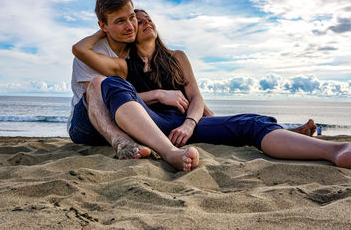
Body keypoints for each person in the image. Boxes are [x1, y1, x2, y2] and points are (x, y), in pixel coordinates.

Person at [72, 9, 351, 171]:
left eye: (148, 19)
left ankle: (335, 150)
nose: (145, 23)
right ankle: (168, 153)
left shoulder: (177, 57)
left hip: (184, 124)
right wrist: (158, 94)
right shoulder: (122, 64)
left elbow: (196, 98)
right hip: (150, 124)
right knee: (110, 84)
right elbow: (92, 69)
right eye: (138, 20)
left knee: (250, 122)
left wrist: (192, 123)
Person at [68, 0, 213, 160]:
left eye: (131, 18)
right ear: (103, 26)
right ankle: (121, 142)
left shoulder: (138, 52)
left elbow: (186, 92)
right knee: (99, 83)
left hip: (126, 122)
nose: (130, 26)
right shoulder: (92, 54)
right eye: (120, 21)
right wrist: (158, 95)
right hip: (89, 125)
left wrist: (209, 120)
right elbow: (101, 100)